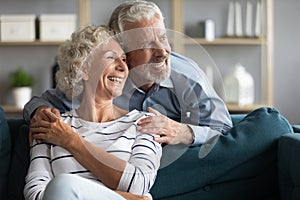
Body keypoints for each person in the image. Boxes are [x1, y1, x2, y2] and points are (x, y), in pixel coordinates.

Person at [23, 0, 232, 152]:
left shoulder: (186, 75)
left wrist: (182, 132)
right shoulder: (103, 81)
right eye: (147, 45)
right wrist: (40, 112)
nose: (162, 52)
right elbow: (39, 102)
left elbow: (223, 128)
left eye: (162, 38)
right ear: (123, 51)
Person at [24, 25, 162, 200]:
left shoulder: (144, 123)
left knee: (62, 184)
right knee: (61, 186)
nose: (122, 67)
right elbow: (35, 193)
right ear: (84, 69)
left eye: (124, 60)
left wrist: (71, 140)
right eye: (111, 58)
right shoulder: (51, 126)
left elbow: (138, 184)